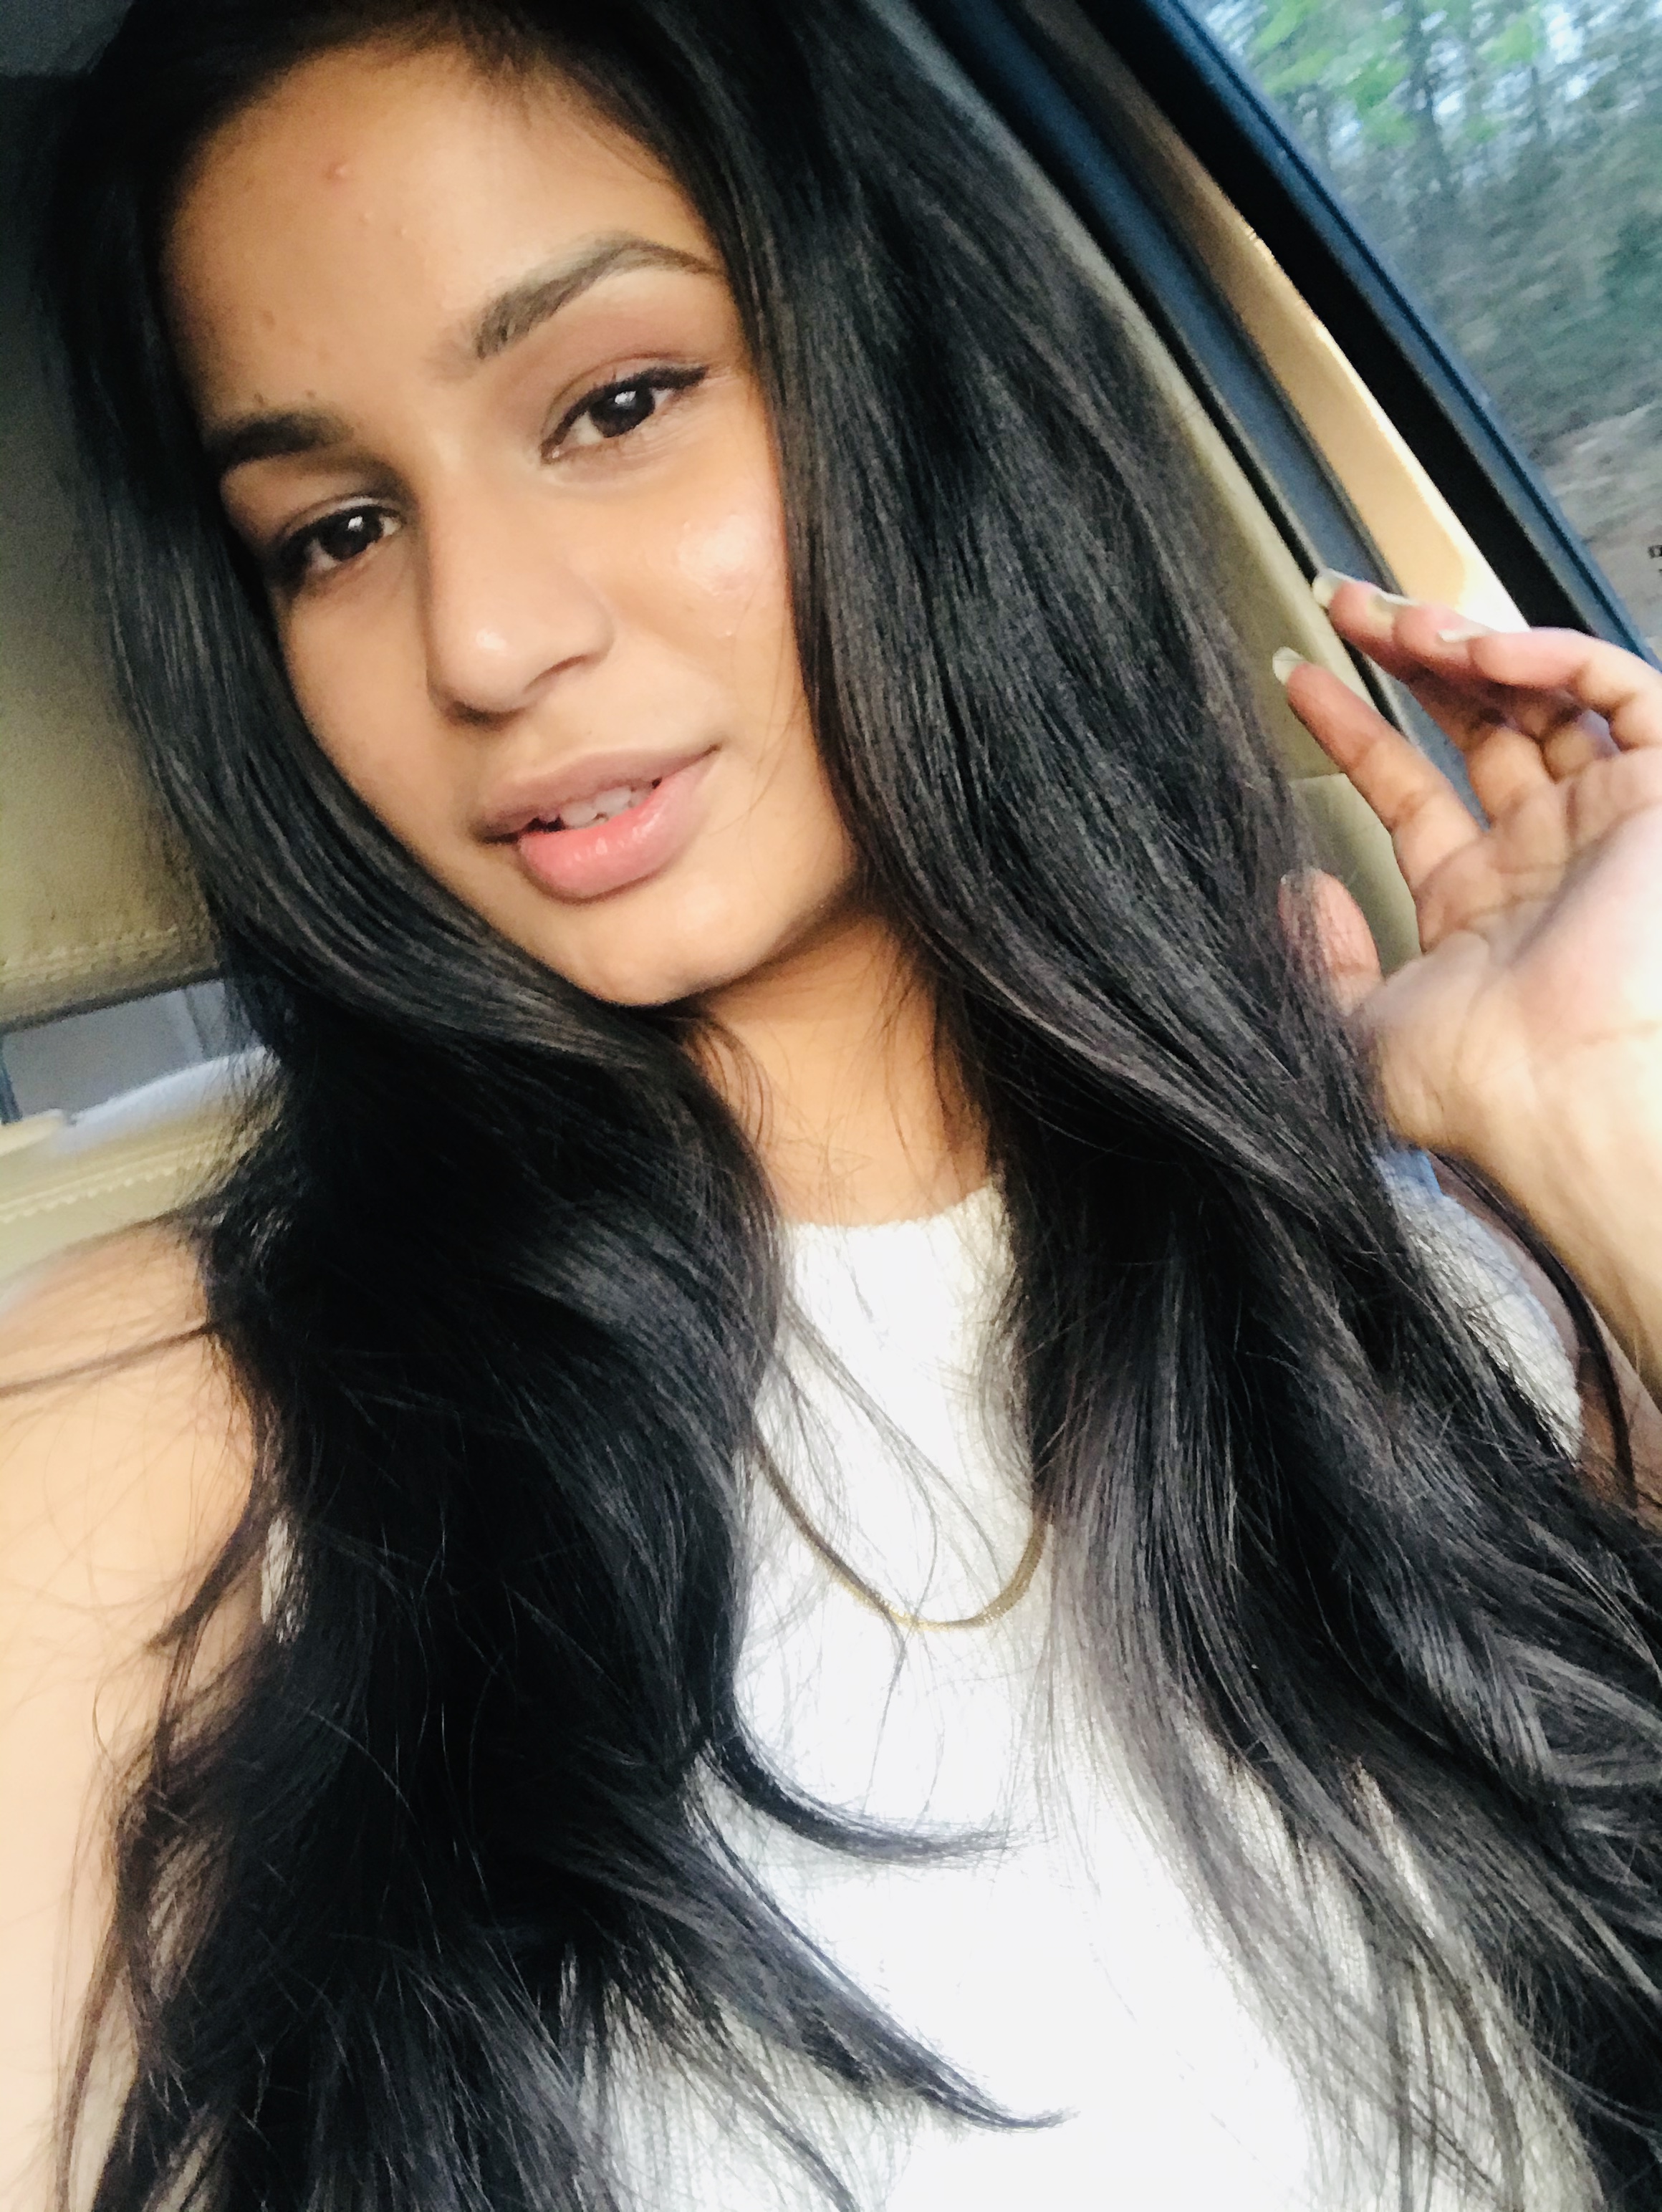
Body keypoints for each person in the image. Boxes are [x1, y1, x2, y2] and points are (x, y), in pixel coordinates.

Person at [4, 0, 1662, 2204]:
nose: (481, 642)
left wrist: (1601, 1134)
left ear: (915, 380)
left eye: (615, 404)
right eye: (334, 530)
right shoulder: (158, 1430)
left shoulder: (1446, 1285)